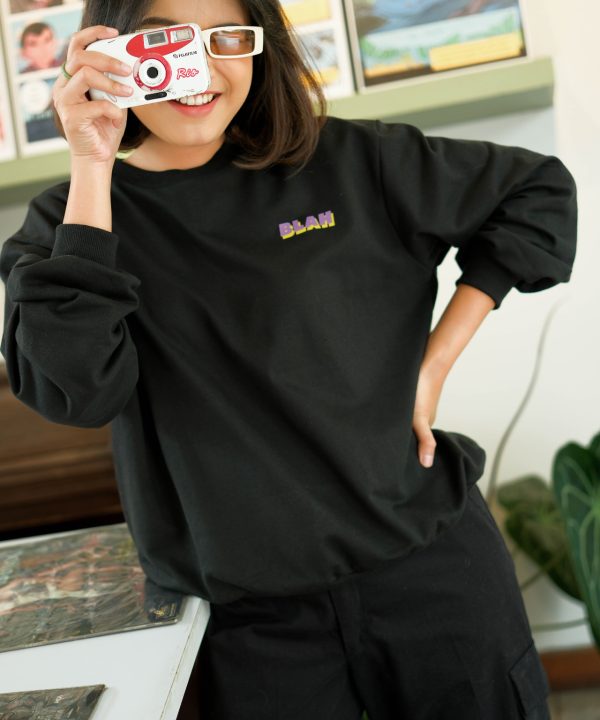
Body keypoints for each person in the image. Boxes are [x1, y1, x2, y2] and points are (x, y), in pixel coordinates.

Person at [0, 0, 577, 718]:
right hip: (249, 624)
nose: (200, 67)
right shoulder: (71, 225)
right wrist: (91, 162)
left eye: (226, 38)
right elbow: (74, 391)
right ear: (109, 50)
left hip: (432, 571)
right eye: (166, 41)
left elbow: (536, 192)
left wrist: (432, 369)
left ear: (259, 47)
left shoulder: (348, 162)